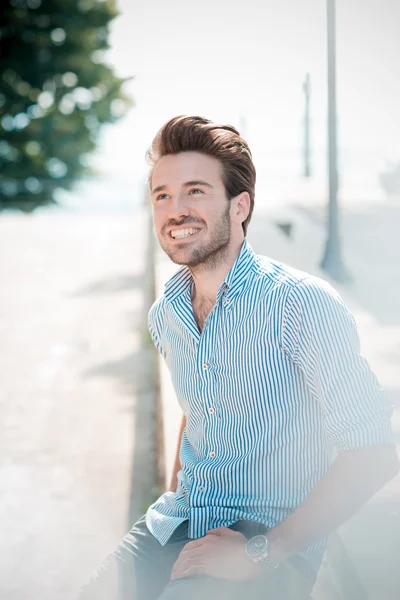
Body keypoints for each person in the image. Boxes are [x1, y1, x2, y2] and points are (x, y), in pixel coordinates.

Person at [78, 116, 399, 600]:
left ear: (240, 205)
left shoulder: (300, 304)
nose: (175, 209)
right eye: (162, 195)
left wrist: (262, 553)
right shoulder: (167, 313)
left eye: (196, 191)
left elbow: (373, 450)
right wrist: (171, 504)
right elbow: (196, 413)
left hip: (266, 544)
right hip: (177, 524)